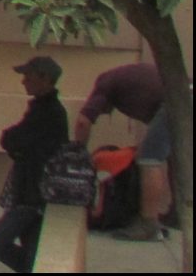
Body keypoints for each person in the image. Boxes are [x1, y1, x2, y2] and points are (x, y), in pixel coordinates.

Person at [74, 60, 174, 242]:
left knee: (150, 158)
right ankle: (178, 215)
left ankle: (148, 225)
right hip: (185, 93)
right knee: (176, 158)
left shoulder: (105, 84)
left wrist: (77, 153)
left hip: (178, 100)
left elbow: (83, 121)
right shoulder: (128, 81)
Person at [0, 56, 68, 272]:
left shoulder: (49, 112)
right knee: (32, 250)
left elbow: (14, 139)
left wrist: (16, 144)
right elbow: (14, 140)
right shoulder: (40, 109)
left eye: (28, 76)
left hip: (33, 195)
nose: (23, 81)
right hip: (29, 192)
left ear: (45, 79)